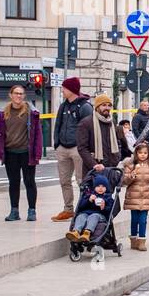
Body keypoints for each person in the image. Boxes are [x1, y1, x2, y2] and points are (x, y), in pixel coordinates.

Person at [0, 83, 43, 221]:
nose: (18, 96)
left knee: (29, 181)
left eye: (21, 94)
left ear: (24, 96)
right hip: (10, 153)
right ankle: (14, 211)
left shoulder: (31, 113)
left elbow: (37, 134)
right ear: (10, 95)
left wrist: (37, 152)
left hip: (26, 152)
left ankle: (32, 210)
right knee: (13, 182)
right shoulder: (3, 113)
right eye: (16, 93)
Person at [51, 77, 92, 221]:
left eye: (64, 88)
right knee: (64, 181)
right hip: (63, 147)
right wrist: (57, 144)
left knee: (82, 181)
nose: (62, 90)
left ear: (71, 89)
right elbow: (58, 125)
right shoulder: (63, 106)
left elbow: (89, 128)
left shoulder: (85, 107)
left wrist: (84, 147)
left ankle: (82, 208)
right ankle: (68, 209)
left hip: (78, 149)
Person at [121, 142, 149, 251]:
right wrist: (131, 176)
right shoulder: (130, 165)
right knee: (134, 219)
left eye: (145, 153)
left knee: (143, 220)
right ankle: (134, 240)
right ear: (136, 153)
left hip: (146, 196)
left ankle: (142, 241)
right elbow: (125, 181)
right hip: (133, 196)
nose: (143, 155)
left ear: (148, 154)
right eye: (140, 153)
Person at [78, 94, 128, 176]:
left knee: (110, 189)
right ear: (97, 107)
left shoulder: (111, 121)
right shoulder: (86, 123)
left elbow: (118, 141)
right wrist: (94, 164)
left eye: (109, 105)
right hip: (94, 169)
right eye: (104, 105)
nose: (107, 108)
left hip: (110, 168)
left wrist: (117, 158)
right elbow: (82, 148)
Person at [66, 173, 112, 243]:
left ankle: (87, 233)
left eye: (103, 186)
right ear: (94, 187)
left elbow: (110, 209)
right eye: (98, 186)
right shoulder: (89, 195)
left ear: (106, 188)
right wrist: (89, 200)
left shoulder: (108, 197)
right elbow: (80, 206)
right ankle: (76, 232)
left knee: (94, 216)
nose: (100, 188)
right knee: (81, 216)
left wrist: (104, 207)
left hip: (100, 215)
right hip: (86, 213)